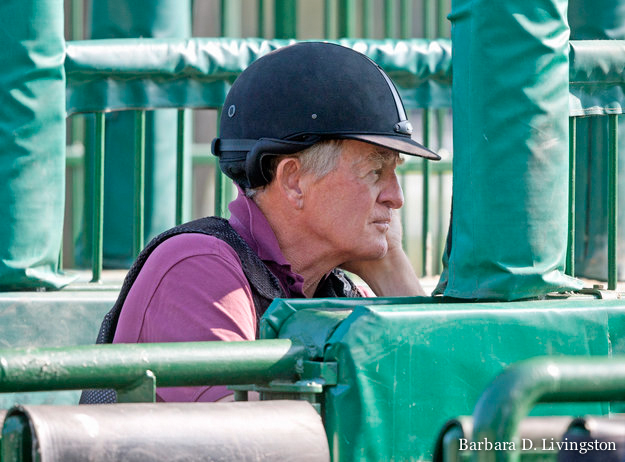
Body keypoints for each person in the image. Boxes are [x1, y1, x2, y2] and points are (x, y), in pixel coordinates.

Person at [80, 41, 440, 404]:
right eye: (375, 170)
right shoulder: (197, 268)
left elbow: (437, 408)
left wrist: (391, 265)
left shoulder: (342, 291)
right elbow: (250, 443)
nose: (397, 197)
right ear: (293, 181)